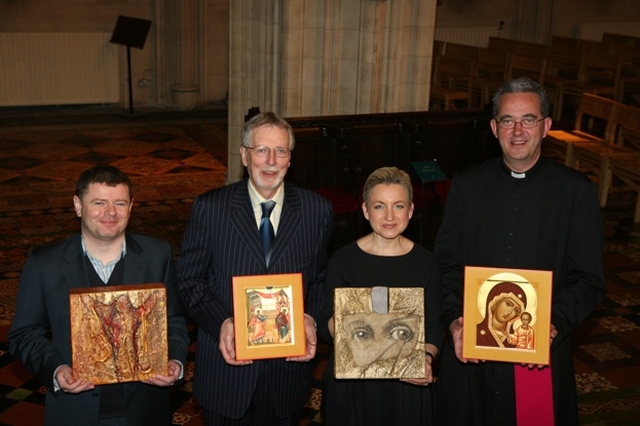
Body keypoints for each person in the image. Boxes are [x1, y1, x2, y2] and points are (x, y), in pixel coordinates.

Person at [433, 77, 605, 426]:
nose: (518, 131)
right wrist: (454, 321)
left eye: (528, 119)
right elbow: (446, 265)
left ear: (546, 126)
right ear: (494, 128)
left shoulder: (576, 192)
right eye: (508, 121)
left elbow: (589, 279)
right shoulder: (467, 185)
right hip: (471, 352)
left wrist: (552, 323)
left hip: (538, 354)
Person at [176, 111, 333, 426]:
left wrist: (310, 317)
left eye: (281, 151)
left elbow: (318, 279)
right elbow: (189, 279)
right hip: (228, 369)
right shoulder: (211, 208)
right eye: (261, 150)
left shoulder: (316, 210)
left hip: (286, 374)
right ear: (244, 155)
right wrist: (221, 322)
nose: (271, 161)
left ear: (290, 159)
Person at [8, 165, 190, 426]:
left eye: (119, 203)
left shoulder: (157, 254)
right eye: (99, 203)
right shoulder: (44, 263)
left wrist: (173, 360)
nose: (110, 213)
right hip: (75, 412)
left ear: (131, 207)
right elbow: (23, 334)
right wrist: (57, 370)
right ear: (78, 206)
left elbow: (173, 320)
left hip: (145, 409)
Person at [317, 166, 443, 426]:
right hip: (353, 384)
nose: (389, 216)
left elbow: (434, 327)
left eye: (398, 206)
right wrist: (342, 323)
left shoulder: (426, 262)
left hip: (406, 386)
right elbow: (323, 325)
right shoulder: (342, 261)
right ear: (365, 210)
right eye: (379, 206)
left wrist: (426, 359)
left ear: (410, 210)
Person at [475, 281, 527, 348]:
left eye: (516, 310)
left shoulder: (515, 340)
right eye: (508, 304)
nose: (509, 312)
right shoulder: (474, 332)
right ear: (495, 303)